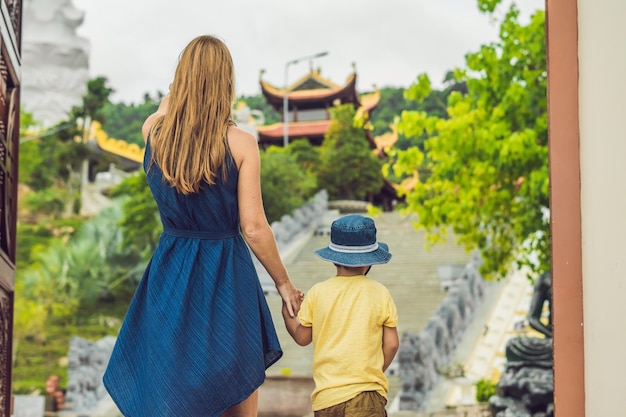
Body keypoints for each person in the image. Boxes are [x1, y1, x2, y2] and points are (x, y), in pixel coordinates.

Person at [102, 35, 303, 417]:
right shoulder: (242, 144)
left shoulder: (154, 134)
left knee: (170, 396)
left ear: (181, 80)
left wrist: (177, 96)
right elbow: (255, 228)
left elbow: (165, 110)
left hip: (171, 273)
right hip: (227, 274)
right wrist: (284, 284)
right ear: (226, 83)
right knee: (236, 393)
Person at [282, 214, 400, 417]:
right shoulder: (380, 293)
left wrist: (287, 314)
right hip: (366, 395)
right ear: (369, 261)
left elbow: (302, 338)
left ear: (334, 259)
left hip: (326, 399)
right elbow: (392, 344)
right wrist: (375, 371)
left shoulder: (318, 292)